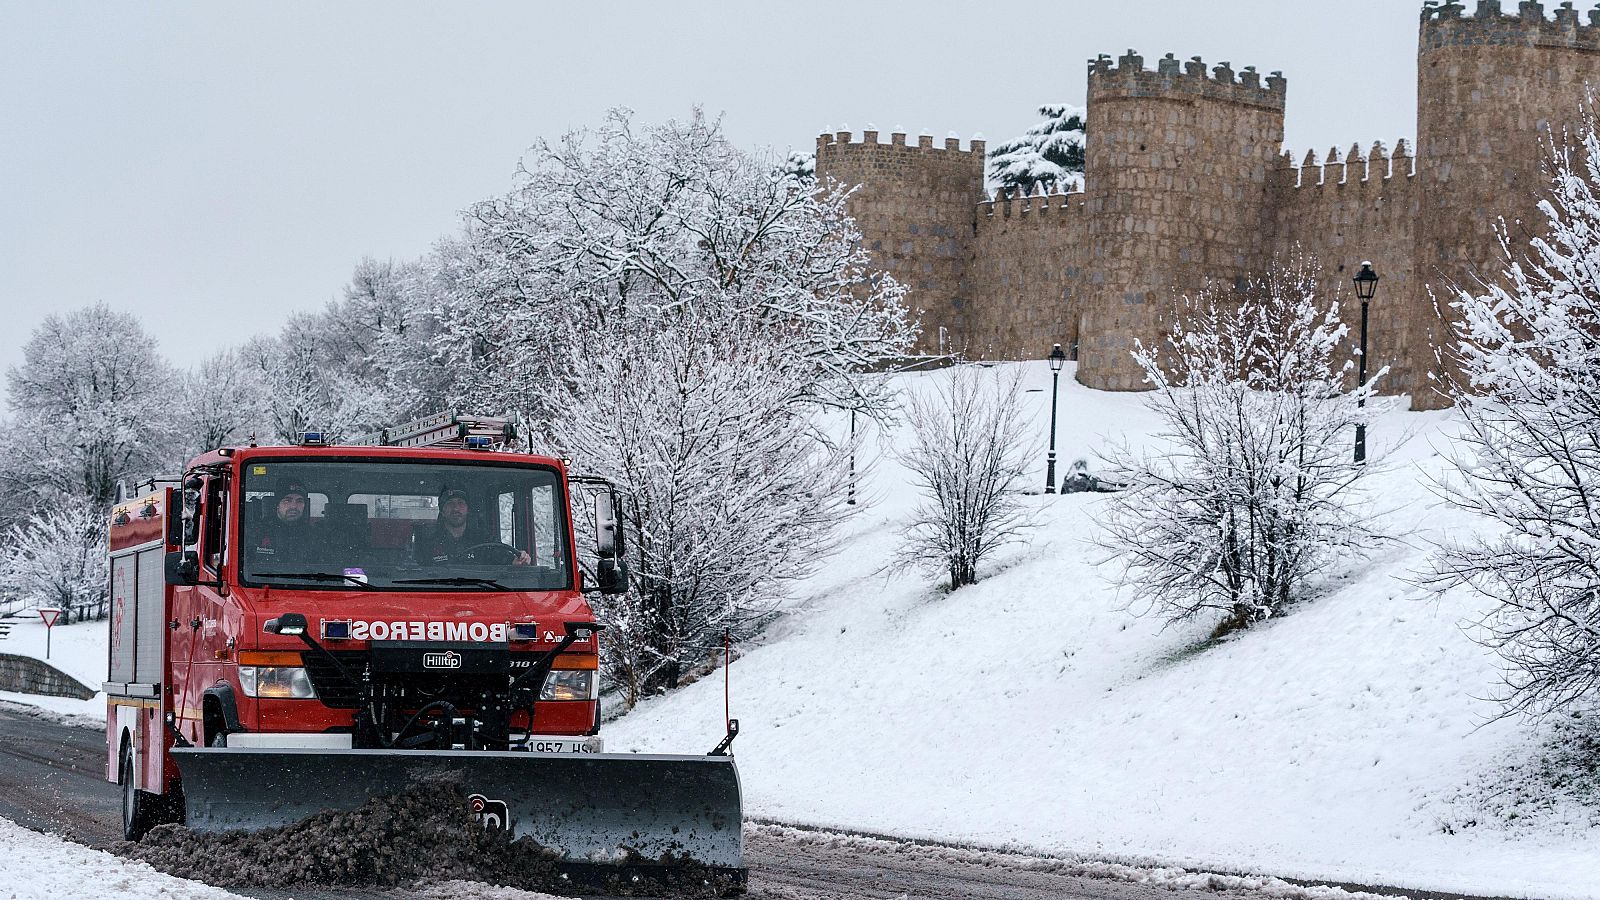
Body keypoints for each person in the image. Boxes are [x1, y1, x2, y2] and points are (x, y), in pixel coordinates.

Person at [413, 488, 530, 566]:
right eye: (450, 504)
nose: (456, 509)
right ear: (442, 511)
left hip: (481, 594)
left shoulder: (484, 539)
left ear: (468, 509)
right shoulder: (427, 541)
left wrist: (519, 560)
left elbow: (503, 558)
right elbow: (415, 571)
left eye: (460, 503)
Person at [251, 480, 320, 563]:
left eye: (299, 501)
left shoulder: (313, 535)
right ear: (277, 504)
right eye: (287, 500)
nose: (294, 506)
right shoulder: (258, 532)